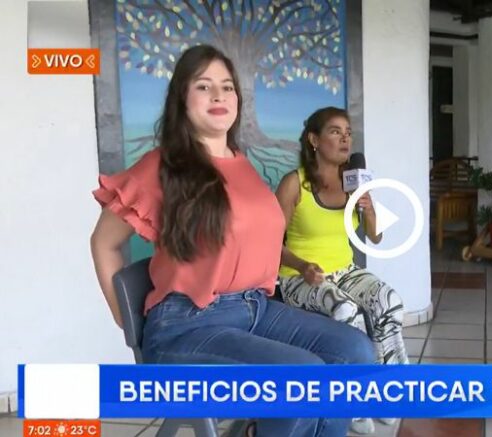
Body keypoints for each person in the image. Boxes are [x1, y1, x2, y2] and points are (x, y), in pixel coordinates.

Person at [90, 45, 375, 437]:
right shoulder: (162, 166)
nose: (218, 95)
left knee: (355, 352)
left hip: (256, 308)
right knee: (303, 378)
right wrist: (129, 324)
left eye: (227, 87)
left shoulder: (242, 164)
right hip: (187, 325)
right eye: (203, 86)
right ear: (182, 98)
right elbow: (103, 243)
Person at [275, 107, 409, 434]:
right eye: (335, 131)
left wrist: (368, 205)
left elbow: (376, 236)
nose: (345, 138)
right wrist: (301, 266)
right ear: (314, 140)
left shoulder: (354, 181)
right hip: (299, 277)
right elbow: (268, 244)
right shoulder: (294, 184)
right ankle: (353, 403)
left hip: (344, 270)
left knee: (389, 301)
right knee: (346, 310)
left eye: (348, 132)